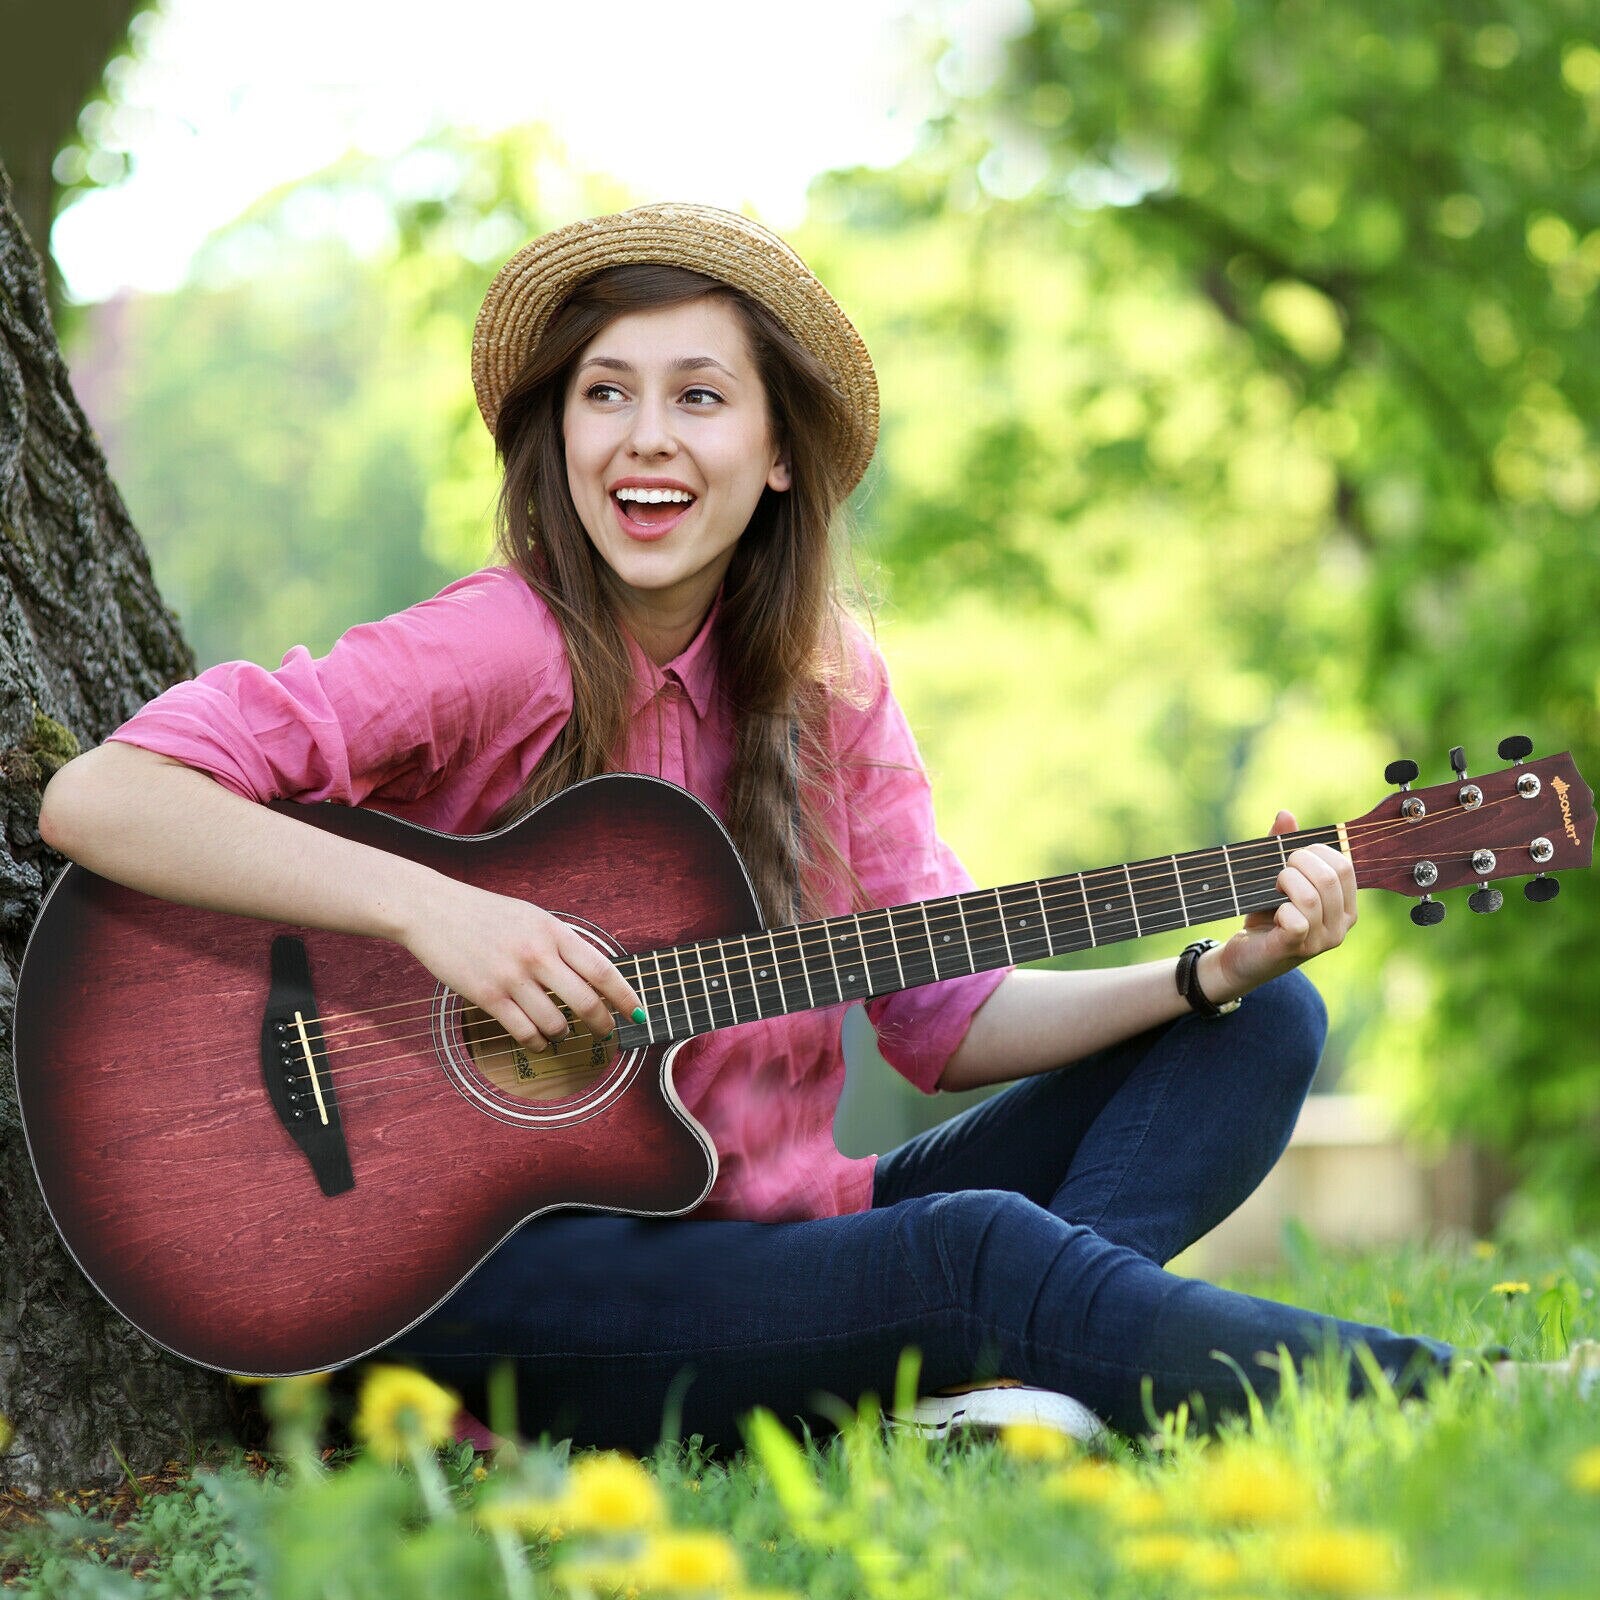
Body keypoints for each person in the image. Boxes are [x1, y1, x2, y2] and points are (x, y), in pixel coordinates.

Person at [35, 203, 1573, 1454]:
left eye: (700, 397)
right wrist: (438, 917)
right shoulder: (498, 646)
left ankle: (1010, 1391)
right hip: (469, 1275)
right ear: (555, 440)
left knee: (1266, 1026)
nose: (647, 438)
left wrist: (1200, 978)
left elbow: (944, 1016)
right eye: (605, 394)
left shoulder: (831, 694)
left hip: (784, 1233)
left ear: (777, 454)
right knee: (977, 1251)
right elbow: (100, 794)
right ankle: (1451, 1396)